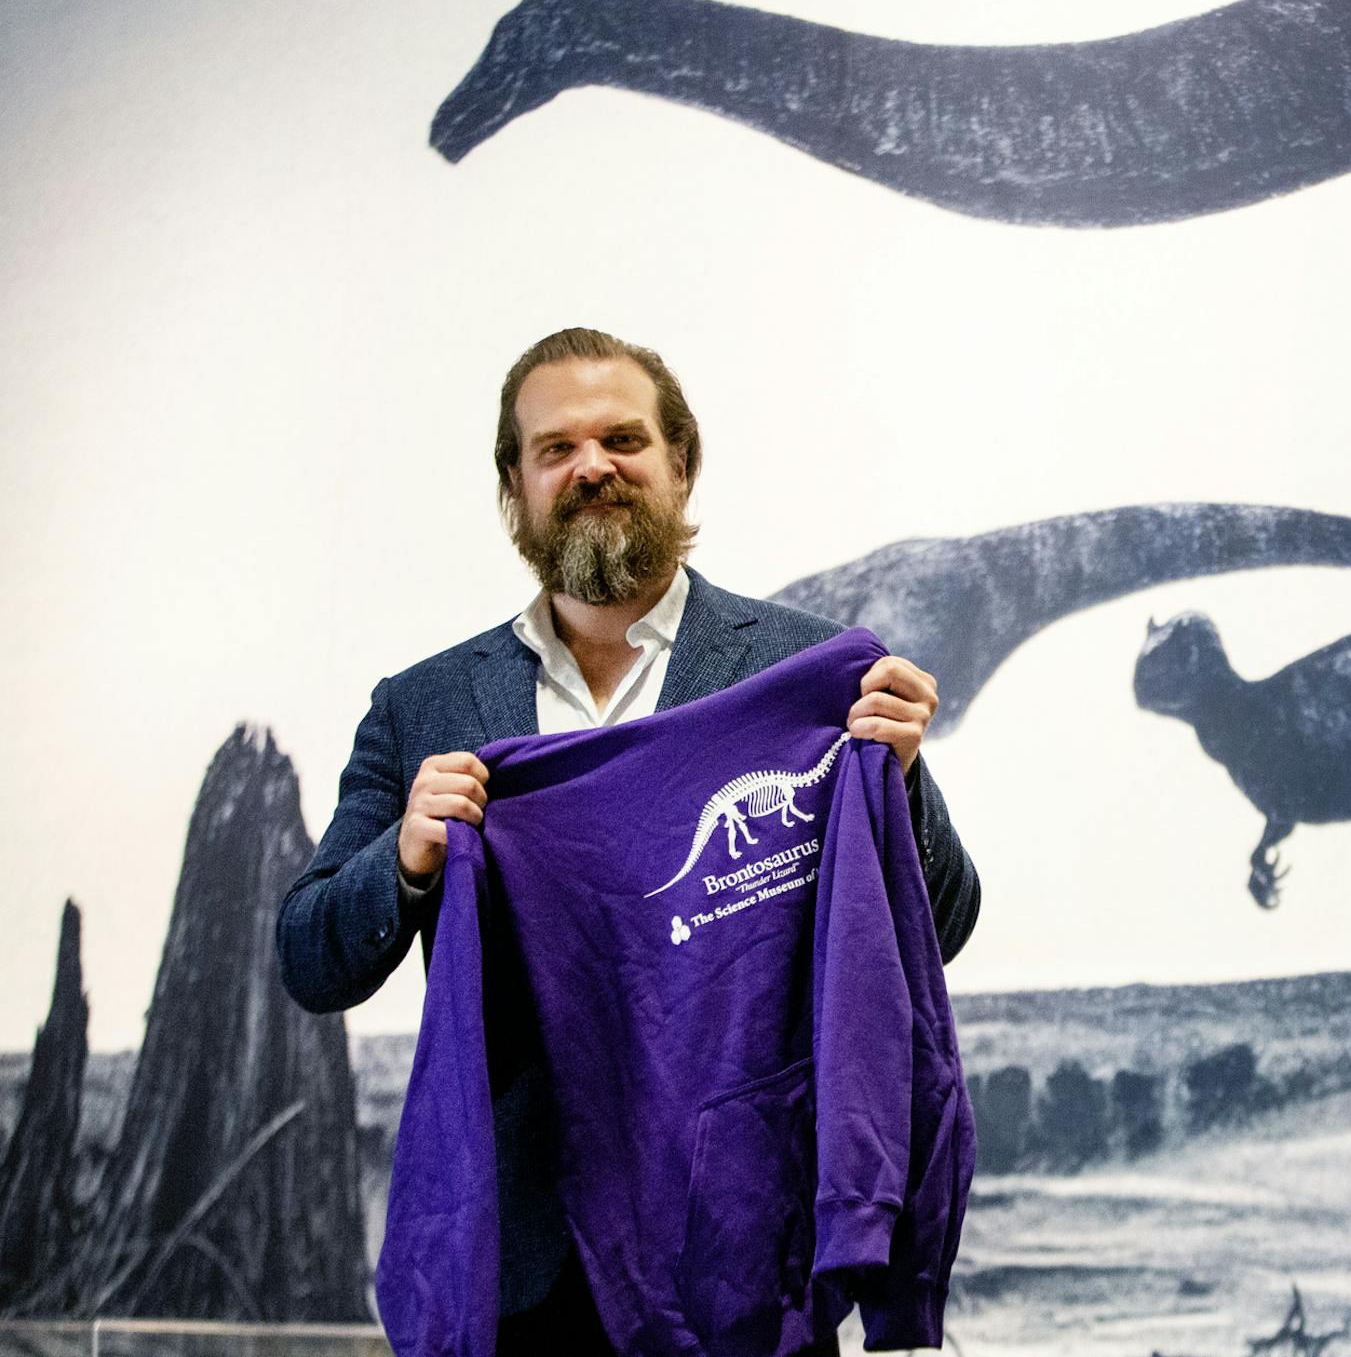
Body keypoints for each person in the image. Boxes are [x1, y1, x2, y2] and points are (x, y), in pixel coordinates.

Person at [278, 326, 982, 1349]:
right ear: (514, 487)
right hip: (528, 1265)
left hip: (748, 1248)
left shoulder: (804, 673)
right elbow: (308, 955)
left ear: (680, 464)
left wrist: (899, 782)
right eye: (555, 449)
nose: (592, 466)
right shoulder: (424, 708)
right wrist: (404, 860)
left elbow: (944, 926)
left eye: (622, 438)